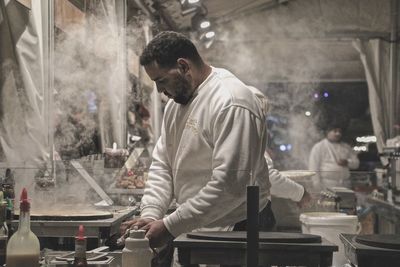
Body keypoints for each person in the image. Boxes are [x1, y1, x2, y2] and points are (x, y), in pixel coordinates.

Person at [121, 31, 270, 251]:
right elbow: (163, 165)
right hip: (195, 225)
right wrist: (151, 213)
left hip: (238, 228)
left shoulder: (231, 101)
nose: (160, 91)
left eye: (161, 81)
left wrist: (170, 225)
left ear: (183, 66)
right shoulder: (176, 105)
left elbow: (230, 185)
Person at [308, 124, 359, 190]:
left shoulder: (346, 147)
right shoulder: (318, 147)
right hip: (327, 185)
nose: (338, 133)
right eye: (335, 131)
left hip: (345, 184)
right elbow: (313, 168)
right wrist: (317, 186)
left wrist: (347, 162)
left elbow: (356, 164)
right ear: (328, 132)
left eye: (340, 132)